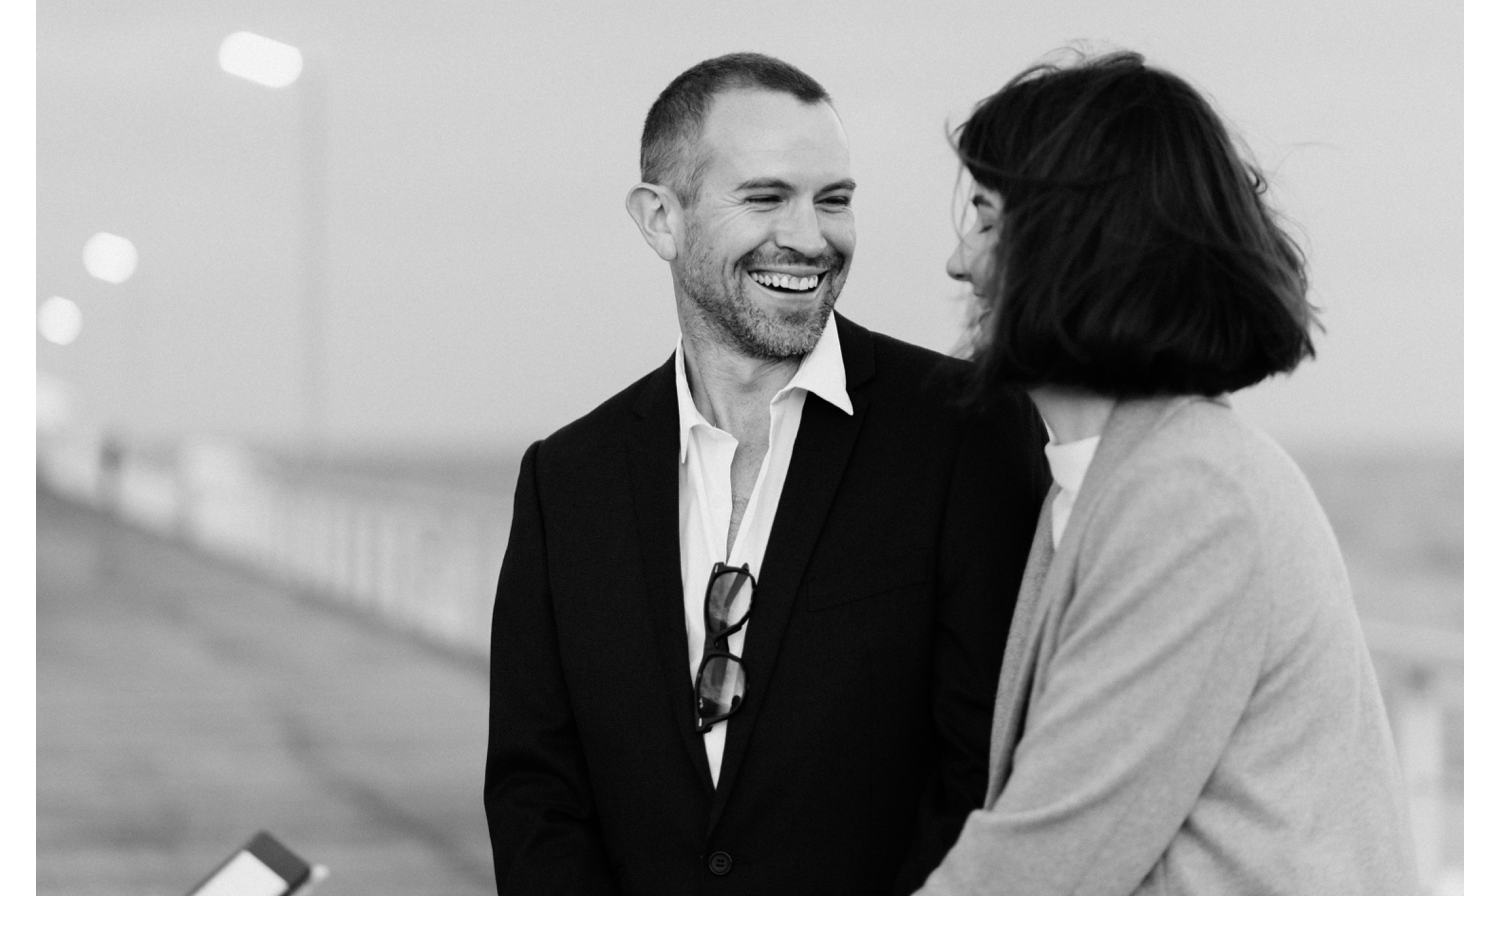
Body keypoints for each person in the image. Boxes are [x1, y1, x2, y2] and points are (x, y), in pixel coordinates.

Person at [483, 52, 1050, 893]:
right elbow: (536, 790)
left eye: (834, 200)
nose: (811, 237)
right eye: (765, 198)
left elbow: (991, 771)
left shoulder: (968, 430)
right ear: (660, 219)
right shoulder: (566, 480)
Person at [919, 50, 1421, 894]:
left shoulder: (1191, 497)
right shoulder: (1100, 483)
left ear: (1072, 242)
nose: (958, 261)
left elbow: (1042, 870)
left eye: (987, 216)